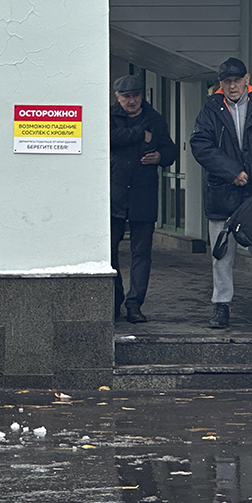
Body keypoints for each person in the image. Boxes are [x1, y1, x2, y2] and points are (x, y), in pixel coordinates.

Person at [190, 57, 252, 330]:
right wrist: (232, 171)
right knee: (222, 255)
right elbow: (200, 144)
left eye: (236, 80)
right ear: (220, 84)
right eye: (227, 81)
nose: (232, 86)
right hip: (223, 193)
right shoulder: (211, 107)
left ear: (246, 79)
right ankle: (221, 306)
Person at [109, 74, 178, 323]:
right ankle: (114, 301)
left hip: (144, 194)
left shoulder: (155, 119)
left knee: (142, 254)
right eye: (126, 96)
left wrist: (160, 156)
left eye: (135, 95)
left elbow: (170, 150)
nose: (132, 100)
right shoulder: (110, 116)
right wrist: (141, 134)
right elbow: (109, 139)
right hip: (115, 194)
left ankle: (134, 304)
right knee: (110, 253)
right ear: (118, 98)